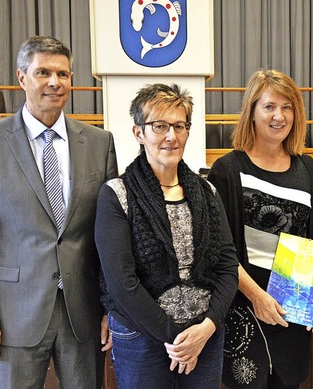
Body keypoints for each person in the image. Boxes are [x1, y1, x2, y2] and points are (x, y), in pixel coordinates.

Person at [0, 36, 117, 388]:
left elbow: (109, 240)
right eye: (43, 72)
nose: (54, 82)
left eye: (63, 74)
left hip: (82, 316)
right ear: (21, 77)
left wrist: (112, 309)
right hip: (13, 318)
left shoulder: (100, 143)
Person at [94, 83, 239, 389]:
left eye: (179, 126)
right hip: (140, 335)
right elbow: (122, 282)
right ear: (139, 133)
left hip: (205, 336)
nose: (171, 136)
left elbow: (227, 268)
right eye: (159, 126)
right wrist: (177, 338)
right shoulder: (117, 194)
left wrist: (206, 328)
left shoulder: (207, 192)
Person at [207, 69, 313, 389]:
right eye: (270, 107)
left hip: (292, 314)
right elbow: (221, 251)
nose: (279, 116)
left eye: (287, 107)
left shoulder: (307, 169)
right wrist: (256, 297)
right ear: (252, 112)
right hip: (244, 310)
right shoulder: (228, 169)